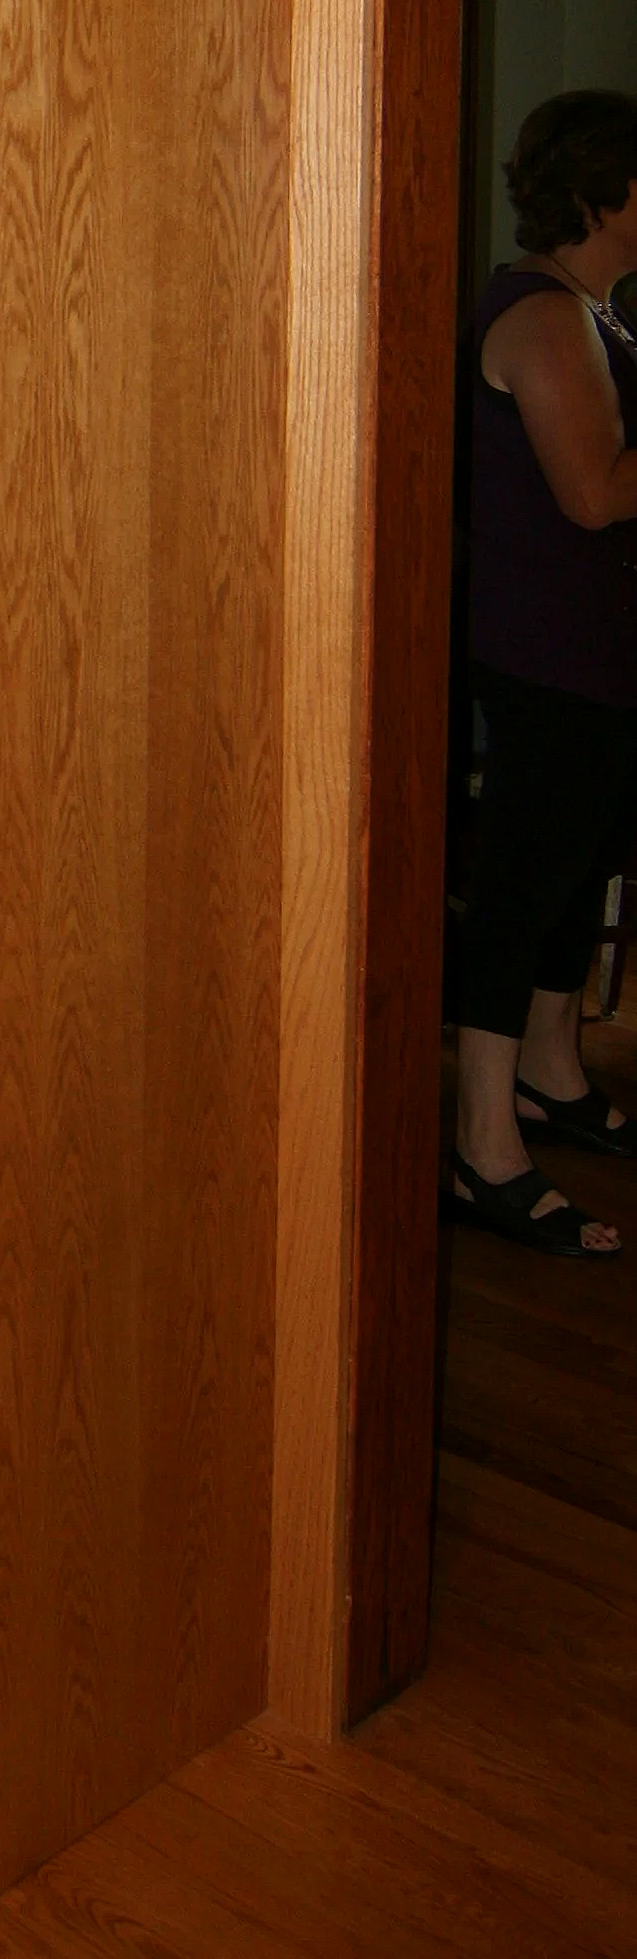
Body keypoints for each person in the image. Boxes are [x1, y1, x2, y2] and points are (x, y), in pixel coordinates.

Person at [455, 89, 637, 1259]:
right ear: (599, 197)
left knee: (577, 871)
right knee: (526, 880)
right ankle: (482, 1144)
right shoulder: (540, 318)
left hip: (594, 659)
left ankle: (551, 1070)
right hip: (545, 656)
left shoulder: (594, 312)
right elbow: (593, 494)